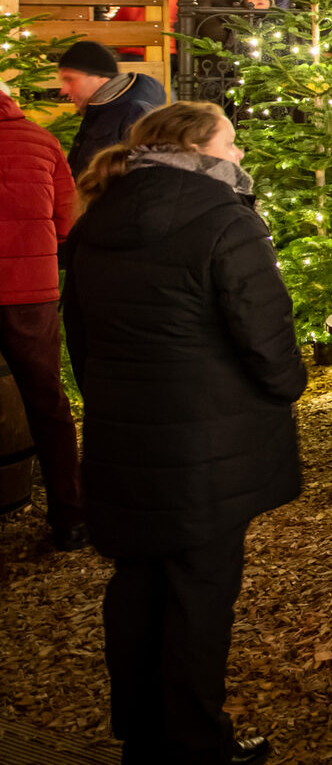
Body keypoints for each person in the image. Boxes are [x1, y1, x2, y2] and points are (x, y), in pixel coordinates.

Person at [63, 102, 306, 765]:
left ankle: (143, 735)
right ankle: (197, 743)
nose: (240, 156)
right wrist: (287, 385)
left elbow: (79, 340)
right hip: (208, 457)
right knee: (200, 598)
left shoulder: (96, 218)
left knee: (137, 587)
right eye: (232, 143)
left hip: (124, 443)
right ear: (198, 150)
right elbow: (269, 346)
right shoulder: (227, 222)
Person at [0, 83, 86, 552]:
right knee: (48, 403)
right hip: (31, 290)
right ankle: (69, 517)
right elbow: (67, 220)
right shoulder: (42, 140)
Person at [55, 40, 168, 178]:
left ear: (100, 78)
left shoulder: (134, 113)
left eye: (70, 79)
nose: (63, 90)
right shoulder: (99, 110)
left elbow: (147, 178)